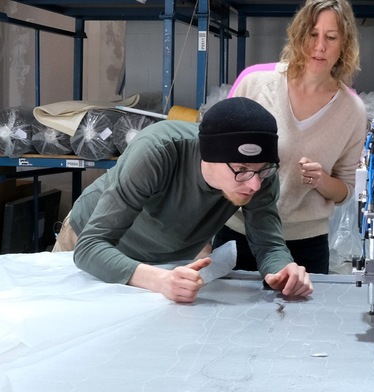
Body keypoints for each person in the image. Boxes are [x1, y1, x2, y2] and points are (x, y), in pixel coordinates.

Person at [52, 97, 313, 302]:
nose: (255, 184)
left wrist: (282, 270)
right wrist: (159, 280)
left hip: (165, 265)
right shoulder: (157, 151)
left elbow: (268, 244)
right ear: (208, 157)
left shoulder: (260, 173)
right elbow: (90, 247)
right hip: (97, 246)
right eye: (241, 170)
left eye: (262, 170)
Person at [219, 0, 367, 274]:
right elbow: (215, 158)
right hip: (240, 233)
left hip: (305, 245)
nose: (320, 46)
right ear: (299, 35)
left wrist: (322, 180)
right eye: (313, 34)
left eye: (331, 37)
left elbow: (345, 190)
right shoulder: (255, 83)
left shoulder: (353, 111)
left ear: (344, 44)